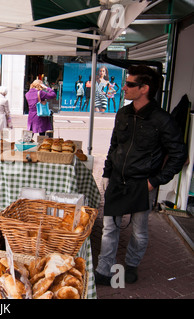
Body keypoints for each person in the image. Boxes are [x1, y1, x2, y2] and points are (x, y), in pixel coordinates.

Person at [95, 65, 187, 286]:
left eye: (130, 84)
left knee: (139, 231)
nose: (123, 88)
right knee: (109, 228)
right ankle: (103, 270)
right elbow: (114, 145)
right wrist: (107, 173)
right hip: (117, 179)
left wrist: (155, 181)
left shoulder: (162, 119)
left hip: (142, 183)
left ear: (144, 88)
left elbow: (178, 154)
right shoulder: (123, 113)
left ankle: (132, 265)